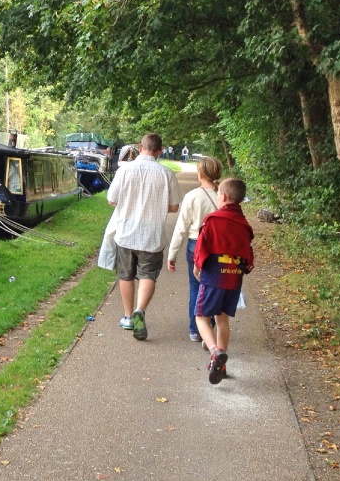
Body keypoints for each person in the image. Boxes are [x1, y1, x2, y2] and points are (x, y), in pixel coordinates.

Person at [105, 133, 181, 340]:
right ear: (160, 151)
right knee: (148, 274)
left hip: (126, 233)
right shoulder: (167, 174)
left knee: (126, 274)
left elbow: (111, 200)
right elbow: (174, 207)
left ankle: (128, 317)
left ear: (140, 147)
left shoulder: (124, 170)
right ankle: (141, 310)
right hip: (152, 236)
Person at [193, 177, 254, 384]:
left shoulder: (213, 220)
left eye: (219, 194)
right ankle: (222, 366)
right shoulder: (244, 225)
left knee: (201, 317)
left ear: (224, 197)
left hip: (214, 276)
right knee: (222, 319)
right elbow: (247, 255)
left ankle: (215, 351)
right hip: (234, 280)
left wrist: (197, 266)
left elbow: (201, 248)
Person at [166, 156, 224, 342]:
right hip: (219, 247)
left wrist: (172, 254)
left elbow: (181, 228)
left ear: (200, 174)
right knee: (215, 286)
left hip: (196, 245)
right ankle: (211, 325)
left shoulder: (192, 196)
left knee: (195, 287)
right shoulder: (225, 196)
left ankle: (196, 329)